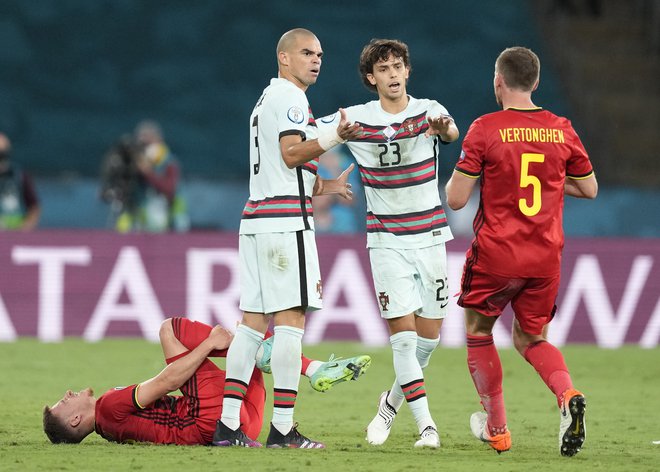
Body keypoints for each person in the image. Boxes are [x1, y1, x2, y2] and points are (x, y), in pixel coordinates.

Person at [211, 28, 364, 449]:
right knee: (291, 323)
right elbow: (291, 153)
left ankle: (227, 427)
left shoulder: (266, 100)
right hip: (284, 225)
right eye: (306, 53)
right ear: (284, 57)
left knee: (252, 326)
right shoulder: (292, 99)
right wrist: (336, 136)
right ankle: (282, 430)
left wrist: (326, 187)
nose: (316, 60)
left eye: (319, 54)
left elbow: (280, 172)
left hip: (257, 219)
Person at [444, 46, 598, 456]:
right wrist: (548, 179)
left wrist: (496, 177)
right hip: (545, 257)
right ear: (536, 82)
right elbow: (589, 187)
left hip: (497, 253)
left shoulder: (486, 128)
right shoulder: (561, 128)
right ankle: (567, 396)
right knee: (531, 337)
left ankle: (497, 430)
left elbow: (456, 199)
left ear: (499, 81)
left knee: (479, 333)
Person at [317, 38, 459, 448]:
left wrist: (444, 129)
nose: (393, 74)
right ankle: (426, 426)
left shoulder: (429, 109)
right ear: (370, 77)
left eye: (398, 66)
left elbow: (451, 131)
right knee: (404, 337)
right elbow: (309, 136)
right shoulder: (356, 118)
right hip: (386, 239)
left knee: (428, 342)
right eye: (384, 69)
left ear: (408, 71)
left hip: (431, 234)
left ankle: (389, 406)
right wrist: (330, 142)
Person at [43, 317, 371, 445]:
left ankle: (309, 368)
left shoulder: (111, 429)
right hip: (205, 418)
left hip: (244, 425)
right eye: (64, 401)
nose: (68, 393)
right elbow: (169, 381)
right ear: (75, 419)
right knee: (169, 329)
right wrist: (210, 344)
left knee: (252, 350)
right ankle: (312, 369)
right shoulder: (108, 406)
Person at [112, 120, 189, 233]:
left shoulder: (169, 163)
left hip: (168, 221)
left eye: (148, 143)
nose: (145, 148)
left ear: (158, 140)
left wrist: (148, 173)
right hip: (142, 221)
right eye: (142, 144)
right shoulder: (134, 164)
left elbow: (170, 189)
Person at [0, 133, 40, 231]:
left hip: (15, 233)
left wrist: (24, 228)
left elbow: (34, 206)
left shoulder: (20, 176)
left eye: (2, 156)